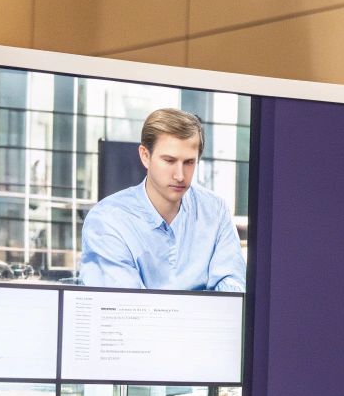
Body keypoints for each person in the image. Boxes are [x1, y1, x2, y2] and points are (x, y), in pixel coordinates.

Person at [80, 108, 247, 292]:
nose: (180, 175)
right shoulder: (107, 220)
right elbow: (125, 307)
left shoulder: (215, 210)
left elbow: (233, 290)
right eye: (169, 160)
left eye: (189, 162)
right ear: (145, 156)